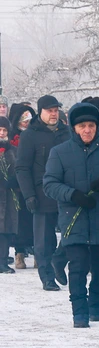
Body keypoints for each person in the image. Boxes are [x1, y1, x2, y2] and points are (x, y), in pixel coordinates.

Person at [43, 102, 99, 327]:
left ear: (97, 126)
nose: (87, 130)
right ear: (74, 128)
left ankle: (95, 306)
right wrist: (72, 195)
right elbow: (49, 184)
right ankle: (79, 312)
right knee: (78, 267)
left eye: (91, 125)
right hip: (74, 217)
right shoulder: (59, 152)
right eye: (82, 126)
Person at [16, 94, 70, 291]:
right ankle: (47, 276)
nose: (54, 114)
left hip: (66, 192)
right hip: (41, 193)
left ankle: (58, 261)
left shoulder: (66, 132)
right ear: (41, 112)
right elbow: (22, 167)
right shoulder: (30, 135)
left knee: (71, 233)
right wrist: (28, 194)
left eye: (56, 110)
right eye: (50, 111)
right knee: (43, 240)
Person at [8, 104, 34, 270]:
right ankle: (19, 253)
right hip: (16, 186)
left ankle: (37, 251)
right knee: (20, 221)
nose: (26, 122)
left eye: (28, 119)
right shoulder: (12, 137)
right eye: (23, 119)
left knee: (33, 220)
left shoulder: (34, 135)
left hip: (33, 183)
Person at [0, 117, 18, 274]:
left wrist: (13, 180)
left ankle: (3, 260)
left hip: (9, 195)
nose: (2, 133)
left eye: (5, 130)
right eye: (0, 130)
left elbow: (19, 168)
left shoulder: (12, 150)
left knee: (5, 230)